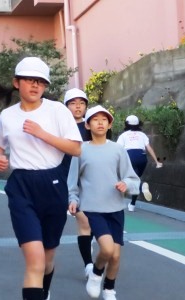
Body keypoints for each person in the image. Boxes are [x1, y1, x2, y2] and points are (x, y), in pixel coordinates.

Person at [0, 57, 82, 300]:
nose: (35, 85)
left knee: (48, 257)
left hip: (53, 184)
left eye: (41, 82)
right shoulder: (7, 116)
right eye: (30, 80)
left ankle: (45, 289)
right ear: (16, 82)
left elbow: (75, 148)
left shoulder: (57, 110)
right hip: (21, 186)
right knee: (35, 260)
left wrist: (42, 134)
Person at [68, 105, 140, 300]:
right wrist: (73, 199)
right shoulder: (80, 150)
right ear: (88, 125)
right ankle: (96, 273)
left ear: (109, 125)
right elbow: (72, 182)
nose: (100, 122)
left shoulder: (118, 150)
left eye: (104, 119)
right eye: (95, 119)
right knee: (107, 249)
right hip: (93, 209)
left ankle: (109, 289)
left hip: (116, 208)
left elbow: (133, 179)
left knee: (115, 256)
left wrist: (126, 184)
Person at [63, 87, 94, 278]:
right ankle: (89, 265)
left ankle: (88, 244)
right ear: (66, 106)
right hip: (66, 180)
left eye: (81, 103)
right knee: (83, 219)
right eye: (73, 103)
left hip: (90, 179)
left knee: (89, 223)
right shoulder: (60, 128)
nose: (78, 107)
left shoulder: (92, 126)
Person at [116, 115, 163, 212]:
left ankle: (141, 187)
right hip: (142, 158)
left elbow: (117, 150)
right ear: (138, 124)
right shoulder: (142, 135)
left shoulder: (123, 136)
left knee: (131, 180)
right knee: (136, 179)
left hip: (130, 156)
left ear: (126, 124)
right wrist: (157, 162)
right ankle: (132, 205)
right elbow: (149, 148)